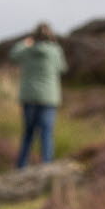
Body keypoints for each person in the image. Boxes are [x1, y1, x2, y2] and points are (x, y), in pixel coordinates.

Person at [12, 22, 66, 168]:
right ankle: (47, 167)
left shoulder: (26, 51)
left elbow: (13, 54)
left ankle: (21, 167)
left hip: (29, 97)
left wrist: (25, 43)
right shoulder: (55, 51)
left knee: (28, 134)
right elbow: (62, 68)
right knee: (46, 134)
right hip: (48, 98)